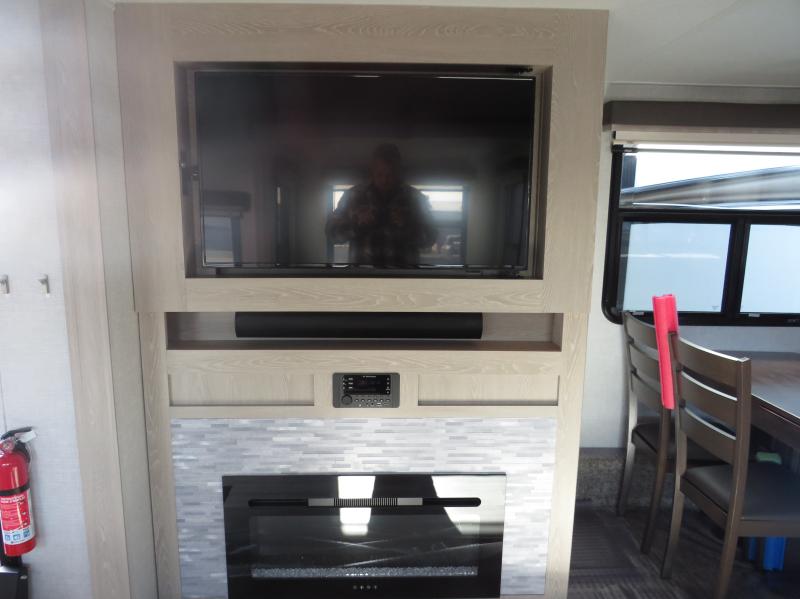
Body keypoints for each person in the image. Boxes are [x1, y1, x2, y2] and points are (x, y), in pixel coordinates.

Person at [326, 144, 437, 267]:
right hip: (362, 276)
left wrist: (407, 225)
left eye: (391, 174)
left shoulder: (416, 198)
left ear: (399, 171)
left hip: (404, 276)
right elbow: (331, 234)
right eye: (379, 174)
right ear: (372, 171)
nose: (385, 180)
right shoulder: (352, 196)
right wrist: (356, 224)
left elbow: (430, 238)